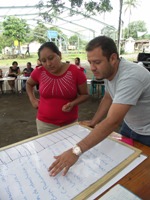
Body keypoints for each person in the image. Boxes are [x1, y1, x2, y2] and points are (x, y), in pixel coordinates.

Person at [48, 35, 150, 177]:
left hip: (147, 132)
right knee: (124, 167)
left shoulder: (131, 76)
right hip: (130, 126)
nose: (92, 68)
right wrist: (94, 121)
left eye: (96, 62)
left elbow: (112, 121)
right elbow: (108, 96)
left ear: (113, 58)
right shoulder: (111, 71)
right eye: (90, 62)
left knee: (141, 175)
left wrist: (76, 151)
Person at [26, 42, 89, 134]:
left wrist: (73, 103)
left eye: (51, 58)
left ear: (59, 55)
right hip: (44, 124)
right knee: (46, 148)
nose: (48, 63)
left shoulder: (76, 72)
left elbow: (85, 95)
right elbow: (28, 84)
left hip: (70, 123)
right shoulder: (39, 72)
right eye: (43, 61)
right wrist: (32, 99)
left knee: (69, 148)